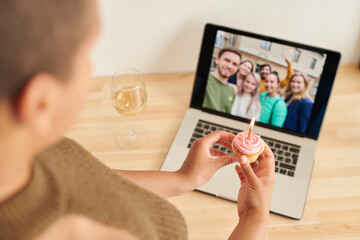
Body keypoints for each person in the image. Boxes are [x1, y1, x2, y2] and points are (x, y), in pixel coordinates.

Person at [0, 1, 275, 240]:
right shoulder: (109, 234)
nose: (92, 70)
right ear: (40, 103)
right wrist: (255, 215)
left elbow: (95, 181)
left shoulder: (28, 150)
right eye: (85, 55)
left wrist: (183, 178)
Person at [203, 48, 241, 113]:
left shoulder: (232, 91)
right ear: (217, 60)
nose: (230, 66)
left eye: (235, 64)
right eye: (227, 60)